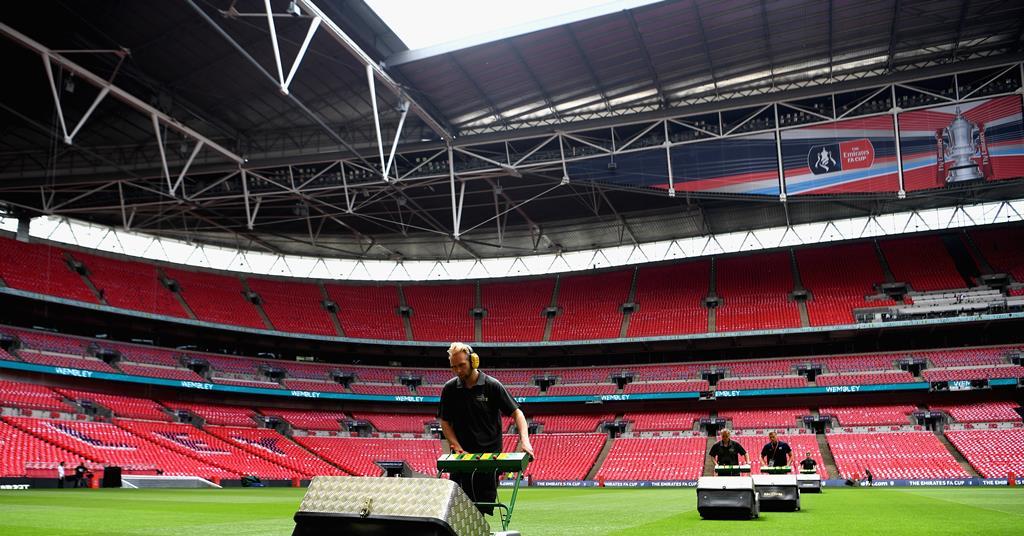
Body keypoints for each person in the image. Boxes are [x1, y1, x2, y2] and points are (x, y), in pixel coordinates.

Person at [439, 342, 534, 515]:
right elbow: (445, 422)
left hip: (489, 458)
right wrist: (456, 445)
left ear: (473, 361)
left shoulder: (492, 385)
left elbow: (517, 414)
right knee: (458, 510)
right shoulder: (449, 389)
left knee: (480, 510)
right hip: (462, 459)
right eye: (454, 367)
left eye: (461, 365)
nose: (458, 371)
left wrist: (525, 441)